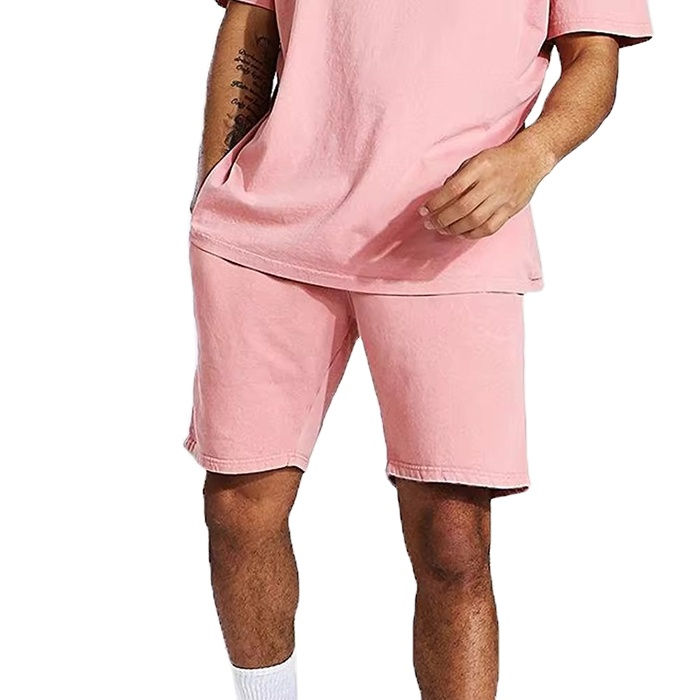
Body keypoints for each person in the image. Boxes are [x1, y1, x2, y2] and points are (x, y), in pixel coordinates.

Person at [185, 1, 652, 697]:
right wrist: (214, 180)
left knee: (453, 535)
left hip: (452, 236)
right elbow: (252, 18)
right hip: (267, 230)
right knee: (238, 507)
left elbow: (594, 56)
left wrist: (531, 156)